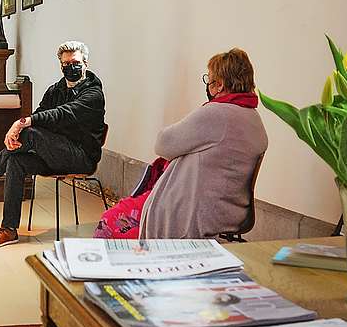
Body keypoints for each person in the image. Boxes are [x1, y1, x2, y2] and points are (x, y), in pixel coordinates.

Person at [0, 41, 105, 248]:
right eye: (66, 63)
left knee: (31, 132)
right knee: (16, 161)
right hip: (53, 155)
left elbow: (62, 114)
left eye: (75, 62)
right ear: (60, 65)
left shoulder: (93, 94)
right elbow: (40, 113)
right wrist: (23, 125)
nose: (70, 67)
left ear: (85, 63)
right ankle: (9, 229)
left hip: (80, 157)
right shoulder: (56, 90)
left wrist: (21, 123)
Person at [109, 48, 268, 240]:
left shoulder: (217, 114)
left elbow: (163, 144)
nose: (207, 85)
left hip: (197, 211)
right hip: (231, 208)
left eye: (209, 80)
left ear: (219, 85)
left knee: (111, 222)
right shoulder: (253, 117)